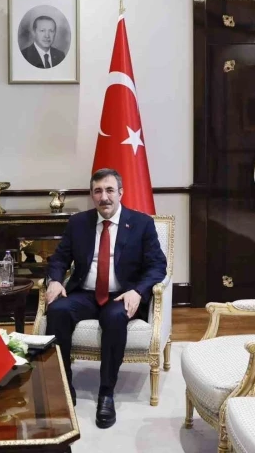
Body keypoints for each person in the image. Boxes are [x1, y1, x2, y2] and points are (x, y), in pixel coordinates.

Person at [45, 168, 166, 429]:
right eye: (98, 191)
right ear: (92, 195)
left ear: (121, 193)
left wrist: (138, 291)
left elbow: (158, 266)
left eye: (110, 190)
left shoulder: (141, 223)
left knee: (114, 318)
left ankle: (106, 393)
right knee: (57, 311)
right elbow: (59, 259)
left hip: (122, 295)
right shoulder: (79, 223)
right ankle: (64, 385)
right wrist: (54, 280)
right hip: (84, 293)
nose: (104, 197)